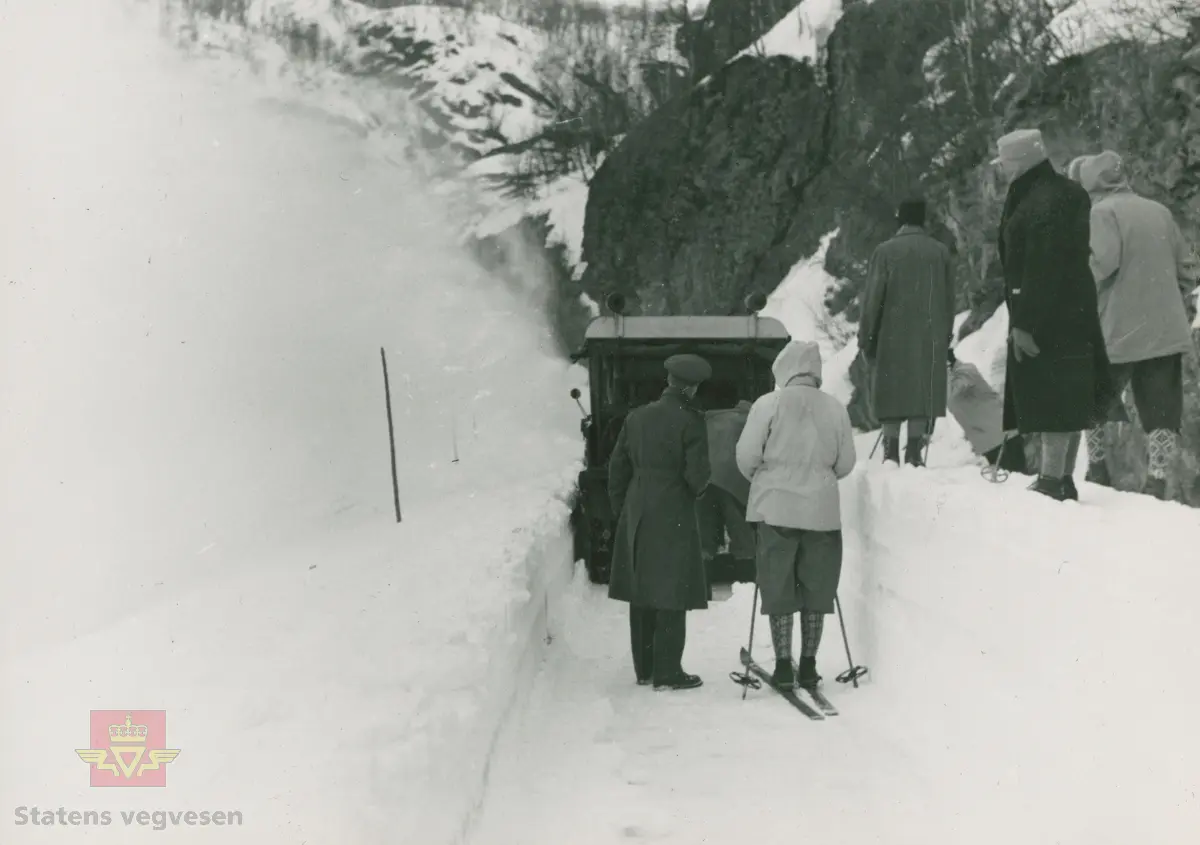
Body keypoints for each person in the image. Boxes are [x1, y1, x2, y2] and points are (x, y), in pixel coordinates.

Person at [992, 128, 1115, 501]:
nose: (1000, 171)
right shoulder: (1059, 190)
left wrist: (1025, 323)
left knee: (1052, 393)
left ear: (1018, 162)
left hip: (1046, 313)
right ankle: (1060, 477)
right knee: (1068, 389)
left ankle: (1051, 480)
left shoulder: (1040, 198)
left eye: (1004, 163)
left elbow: (1041, 265)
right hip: (1071, 307)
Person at [1074, 150, 1198, 500]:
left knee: (1094, 398)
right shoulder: (1159, 211)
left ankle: (1097, 470)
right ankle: (1156, 480)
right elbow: (1187, 269)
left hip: (1117, 327)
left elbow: (1100, 265)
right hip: (1164, 328)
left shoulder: (1101, 213)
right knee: (1162, 408)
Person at [735, 340, 856, 691]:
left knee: (778, 585)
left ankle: (783, 666)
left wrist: (769, 477)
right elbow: (846, 463)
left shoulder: (768, 403)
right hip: (822, 511)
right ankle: (809, 666)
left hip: (775, 509)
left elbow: (746, 456)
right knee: (818, 588)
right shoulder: (835, 408)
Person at [607, 353, 712, 691]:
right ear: (692, 389)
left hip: (636, 509)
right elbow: (697, 477)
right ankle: (668, 672)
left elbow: (616, 470)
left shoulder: (635, 417)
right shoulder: (691, 421)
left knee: (642, 587)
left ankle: (644, 669)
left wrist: (623, 509)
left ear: (668, 382)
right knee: (671, 587)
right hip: (673, 511)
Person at [858, 197, 956, 466]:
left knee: (891, 390)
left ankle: (890, 453)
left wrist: (866, 338)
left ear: (899, 219)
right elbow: (950, 301)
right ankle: (914, 451)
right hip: (929, 334)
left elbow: (873, 299)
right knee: (920, 390)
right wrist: (946, 336)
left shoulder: (885, 251)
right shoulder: (939, 252)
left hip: (891, 335)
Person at [697, 399, 755, 577]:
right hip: (733, 479)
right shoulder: (750, 419)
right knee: (741, 531)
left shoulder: (709, 417)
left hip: (706, 476)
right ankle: (745, 580)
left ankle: (703, 584)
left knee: (705, 534)